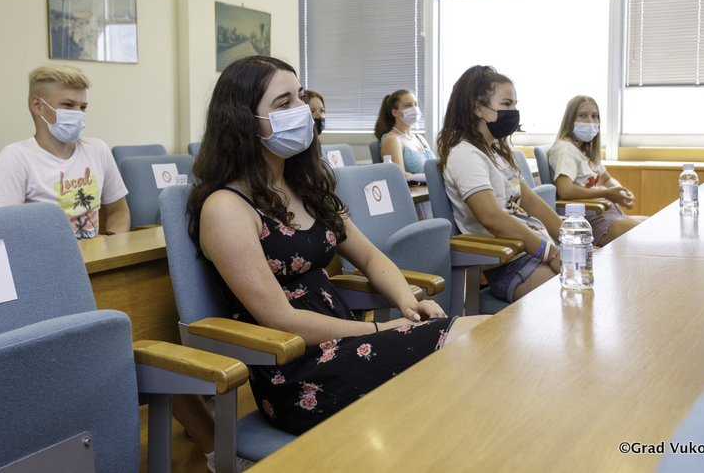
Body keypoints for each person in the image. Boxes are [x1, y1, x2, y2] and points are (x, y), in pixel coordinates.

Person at [186, 55, 488, 440]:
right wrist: (380, 328)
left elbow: (371, 257)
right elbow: (281, 320)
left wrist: (408, 304)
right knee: (470, 339)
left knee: (480, 341)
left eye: (300, 97)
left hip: (348, 341)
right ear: (244, 120)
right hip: (297, 370)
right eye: (284, 103)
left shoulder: (307, 188)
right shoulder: (226, 208)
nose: (302, 110)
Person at [437, 65, 562, 303]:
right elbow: (491, 217)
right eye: (506, 104)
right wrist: (550, 253)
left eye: (515, 104)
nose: (514, 111)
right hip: (509, 264)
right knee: (571, 298)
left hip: (534, 251)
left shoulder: (497, 152)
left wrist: (568, 237)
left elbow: (532, 204)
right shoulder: (465, 155)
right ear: (478, 108)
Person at [0, 64, 130, 239]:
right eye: (68, 105)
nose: (78, 114)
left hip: (96, 254)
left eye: (83, 107)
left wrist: (109, 241)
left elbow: (119, 211)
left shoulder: (98, 150)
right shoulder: (16, 157)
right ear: (38, 105)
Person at [549, 95, 646, 245]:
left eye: (595, 116)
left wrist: (622, 192)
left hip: (609, 214)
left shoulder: (584, 151)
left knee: (659, 224)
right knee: (653, 232)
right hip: (591, 220)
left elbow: (606, 179)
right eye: (583, 115)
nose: (590, 121)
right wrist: (607, 193)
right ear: (570, 120)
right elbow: (565, 190)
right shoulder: (566, 149)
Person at [375, 89, 435, 178]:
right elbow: (400, 175)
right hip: (416, 187)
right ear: (395, 112)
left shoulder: (419, 138)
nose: (414, 109)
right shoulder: (391, 139)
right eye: (408, 105)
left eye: (415, 104)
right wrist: (430, 180)